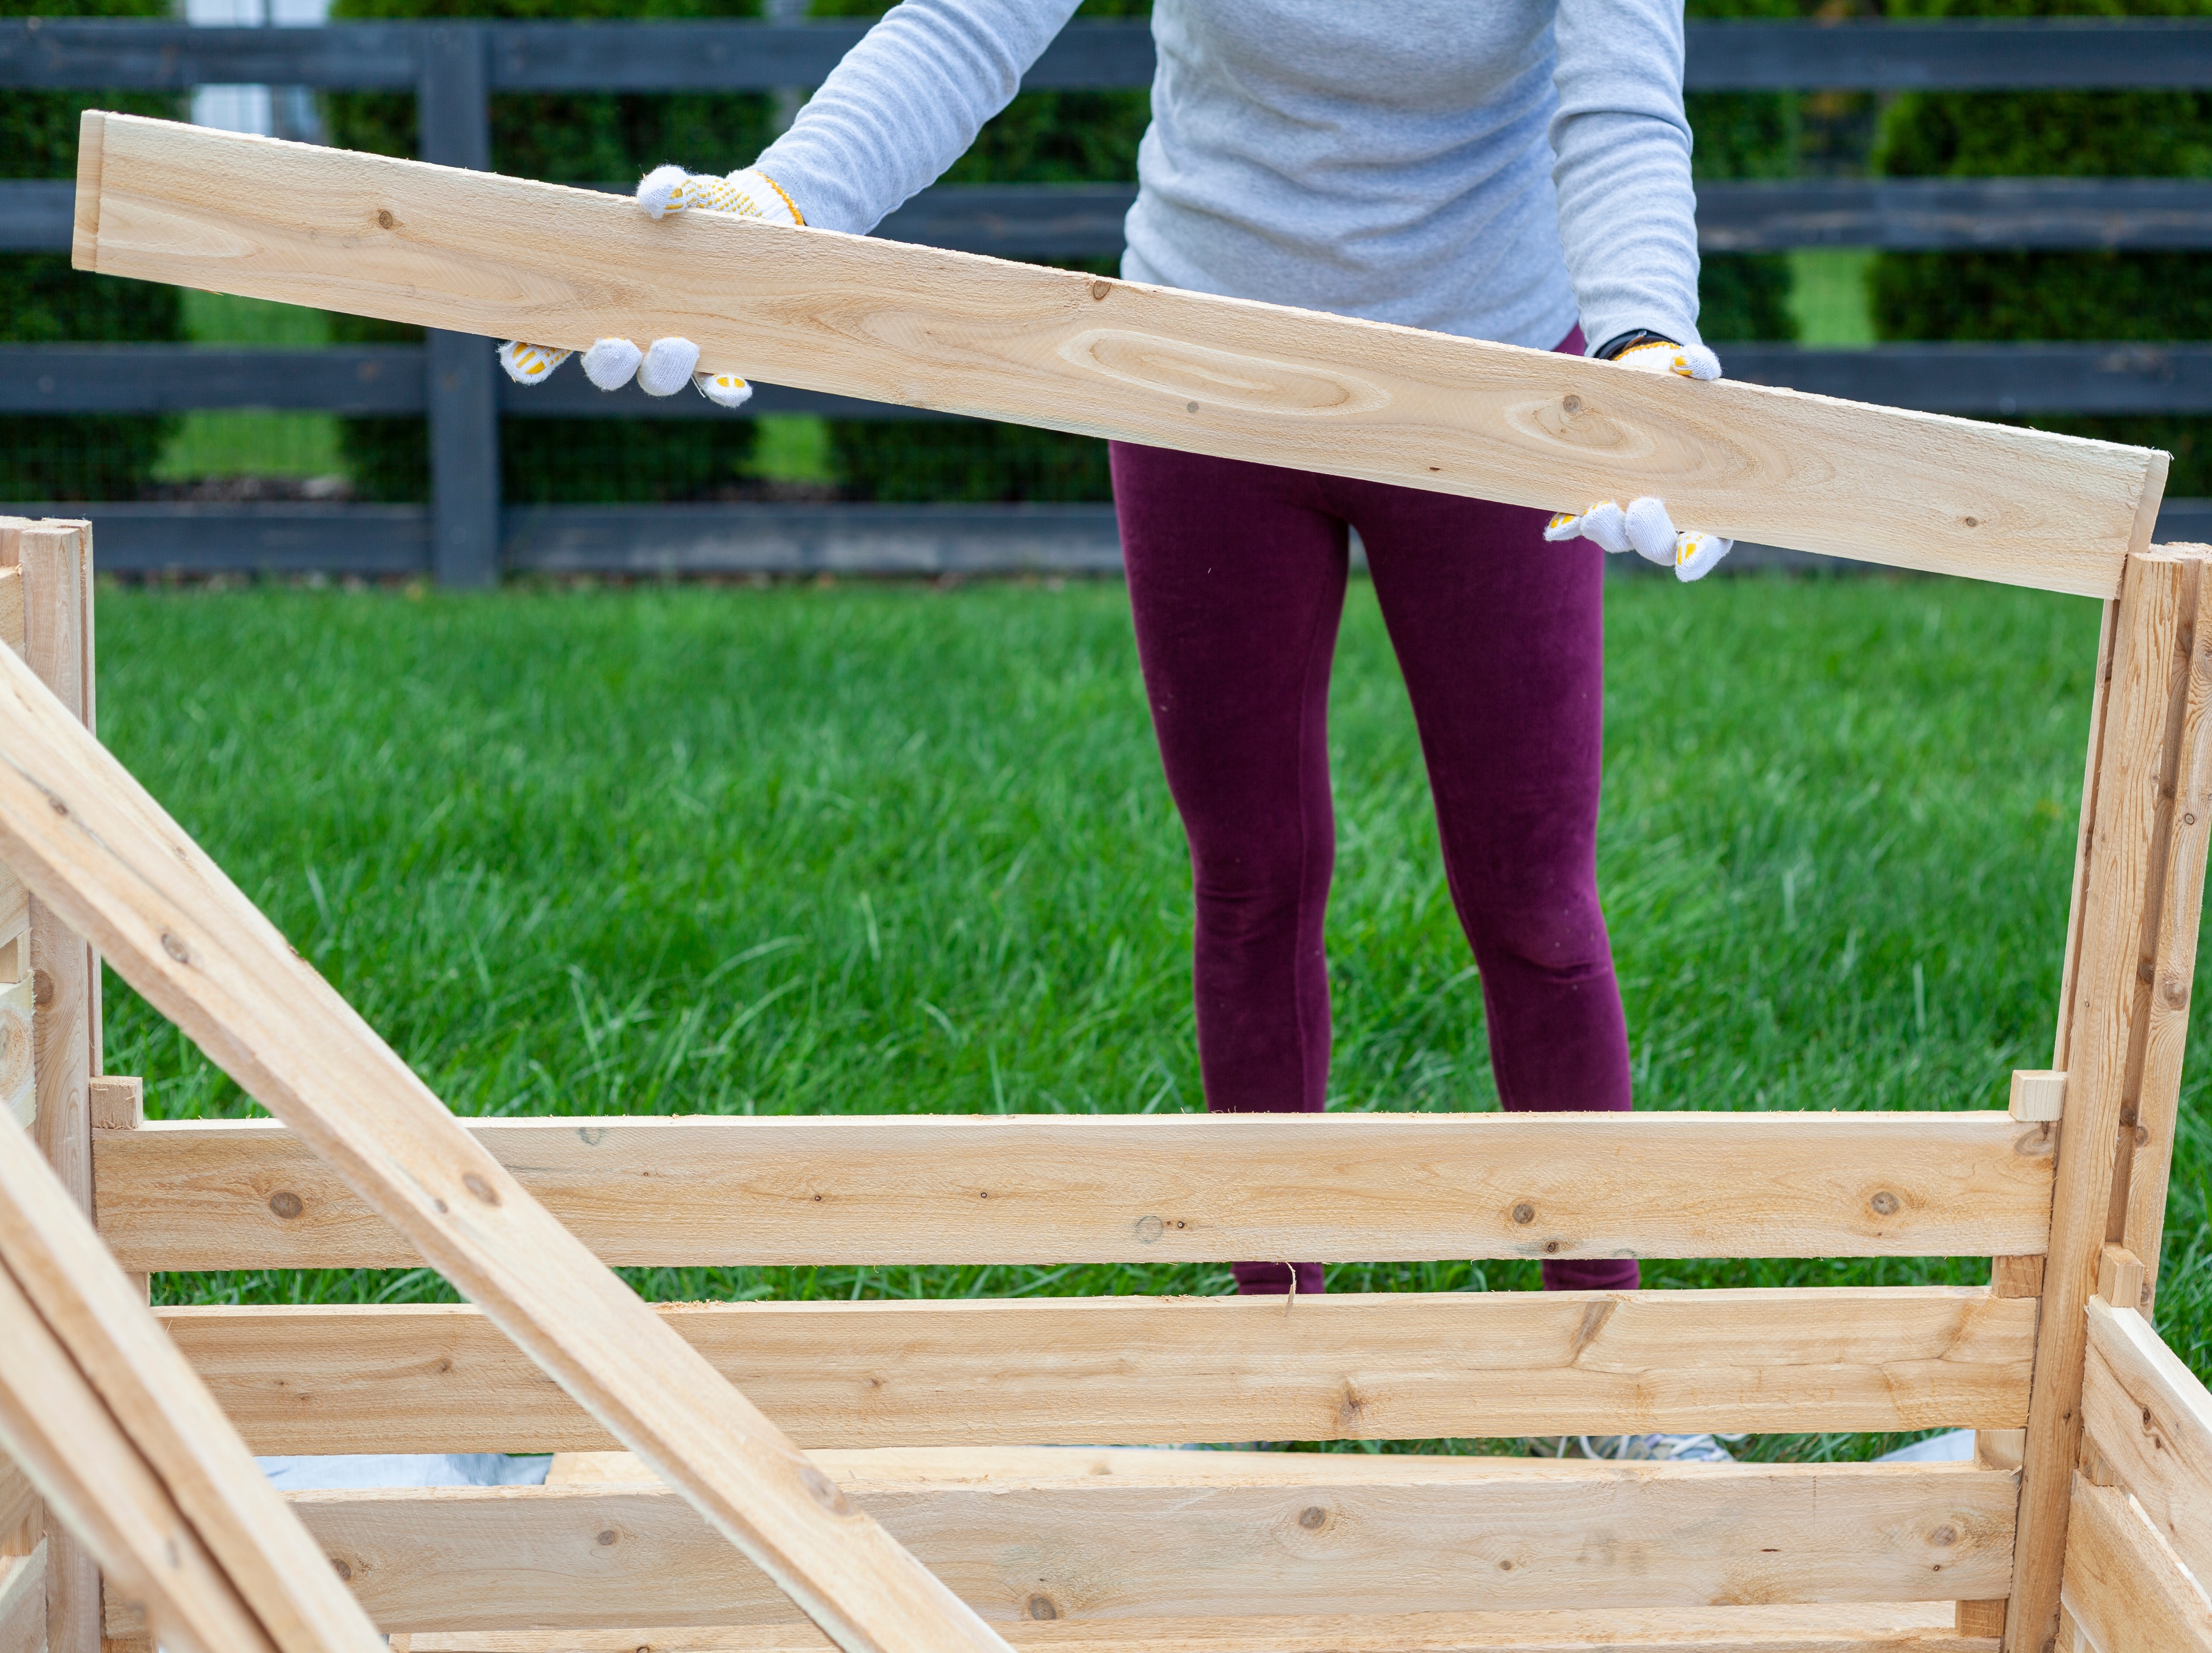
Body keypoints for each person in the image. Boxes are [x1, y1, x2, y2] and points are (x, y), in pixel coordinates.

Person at [502, 0, 1736, 1299]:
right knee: (1253, 877)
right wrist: (779, 211)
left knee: (1534, 898)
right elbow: (968, 25)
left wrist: (1641, 346)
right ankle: (1278, 1361)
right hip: (1195, 370)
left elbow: (1620, 114)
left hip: (1488, 383)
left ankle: (1604, 1374)